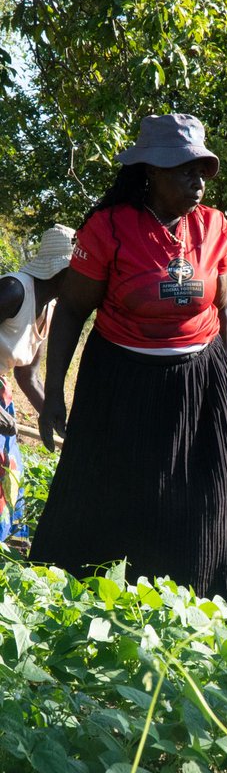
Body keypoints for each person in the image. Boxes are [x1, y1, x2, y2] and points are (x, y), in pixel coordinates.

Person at [31, 113, 227, 599]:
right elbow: (69, 314)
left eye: (202, 170)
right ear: (151, 171)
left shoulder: (214, 227)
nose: (197, 181)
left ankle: (200, 603)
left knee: (203, 495)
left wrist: (226, 380)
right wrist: (53, 395)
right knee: (112, 493)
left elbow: (224, 307)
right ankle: (95, 603)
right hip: (122, 381)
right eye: (183, 169)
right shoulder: (109, 228)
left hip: (199, 378)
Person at [0, 225, 75, 544]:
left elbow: (27, 375)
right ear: (62, 269)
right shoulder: (13, 291)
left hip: (3, 395)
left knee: (9, 476)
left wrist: (57, 420)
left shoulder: (49, 307)